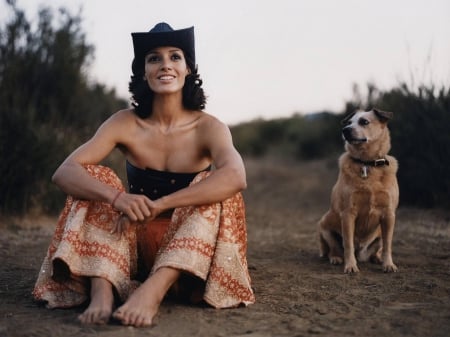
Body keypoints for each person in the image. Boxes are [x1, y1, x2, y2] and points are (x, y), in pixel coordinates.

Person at [33, 22, 255, 328]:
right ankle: (103, 291)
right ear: (144, 71)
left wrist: (162, 204)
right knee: (98, 178)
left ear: (188, 69)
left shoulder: (209, 127)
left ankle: (152, 291)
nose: (165, 65)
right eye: (154, 58)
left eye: (175, 57)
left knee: (216, 188)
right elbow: (64, 172)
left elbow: (236, 177)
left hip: (187, 251)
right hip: (130, 242)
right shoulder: (124, 122)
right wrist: (118, 197)